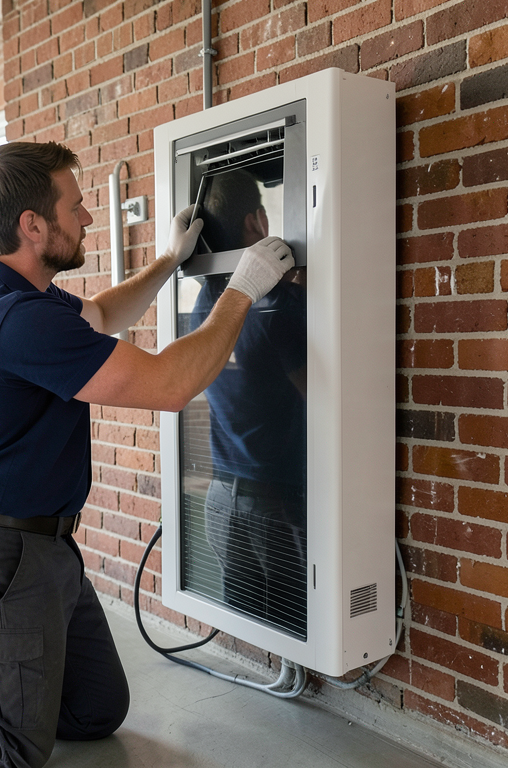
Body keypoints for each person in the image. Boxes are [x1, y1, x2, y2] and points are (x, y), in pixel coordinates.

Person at [0, 141, 293, 768]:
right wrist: (245, 288)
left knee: (96, 711)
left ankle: (5, 681)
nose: (88, 217)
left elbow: (98, 313)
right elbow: (172, 385)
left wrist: (170, 259)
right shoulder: (16, 319)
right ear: (32, 226)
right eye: (76, 205)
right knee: (16, 749)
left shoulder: (8, 295)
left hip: (41, 547)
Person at [185, 169, 308, 638]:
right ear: (257, 221)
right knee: (297, 624)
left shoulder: (205, 306)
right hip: (272, 505)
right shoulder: (280, 305)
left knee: (254, 628)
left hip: (221, 502)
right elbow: (320, 396)